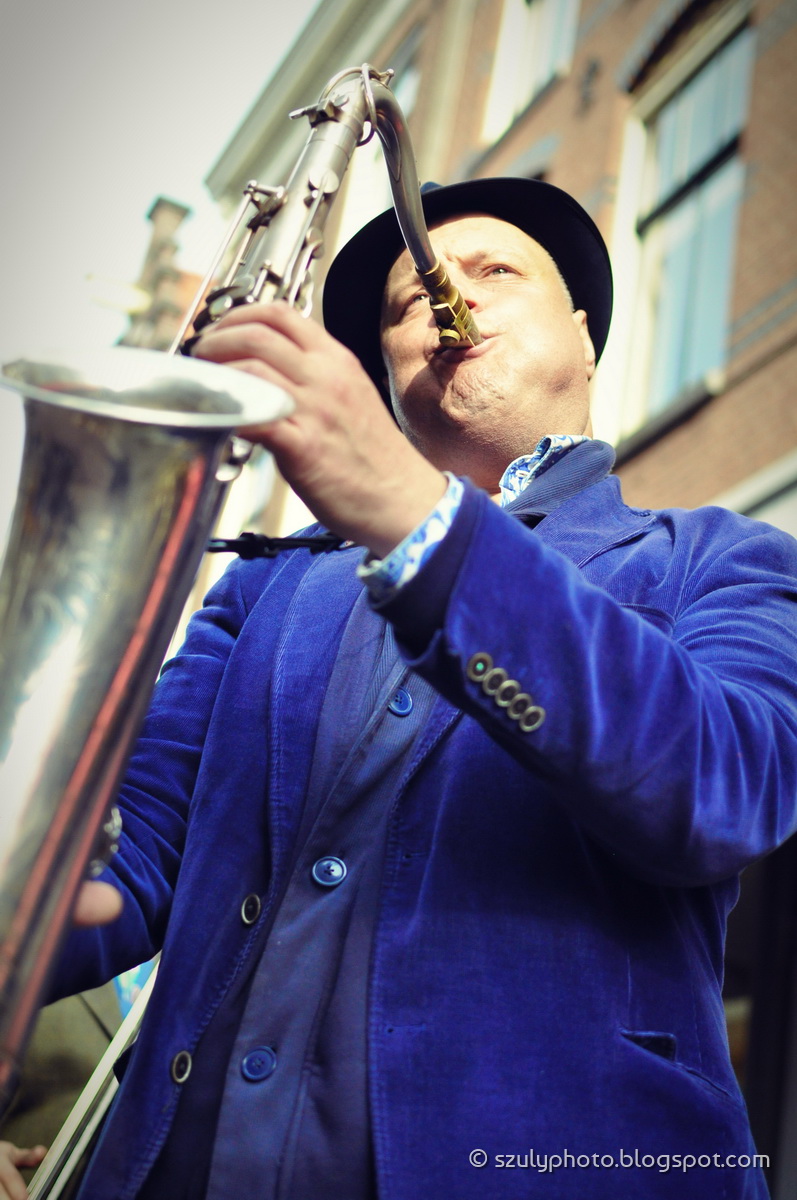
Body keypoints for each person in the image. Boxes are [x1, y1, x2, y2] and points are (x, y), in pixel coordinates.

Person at [36, 177, 797, 1199]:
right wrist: (34, 891)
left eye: (494, 272)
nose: (449, 300)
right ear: (388, 377)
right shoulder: (262, 583)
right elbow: (139, 860)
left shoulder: (727, 560)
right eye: (406, 303)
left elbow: (723, 787)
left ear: (581, 335)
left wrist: (416, 521)